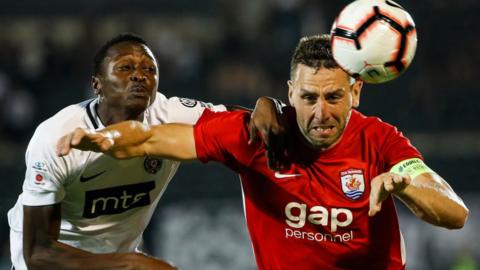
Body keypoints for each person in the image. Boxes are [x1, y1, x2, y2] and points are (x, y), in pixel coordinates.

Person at [57, 34, 469, 270]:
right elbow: (150, 138)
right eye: (308, 97)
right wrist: (99, 139)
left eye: (333, 96)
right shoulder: (257, 135)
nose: (320, 112)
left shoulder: (379, 141)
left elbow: (455, 212)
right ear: (290, 92)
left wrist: (403, 184)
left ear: (356, 93)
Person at [7, 33, 281, 270]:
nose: (140, 75)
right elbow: (38, 253)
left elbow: (238, 122)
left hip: (118, 259)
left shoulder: (170, 113)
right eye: (125, 67)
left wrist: (266, 104)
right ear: (97, 84)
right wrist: (129, 263)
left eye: (150, 69)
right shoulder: (56, 136)